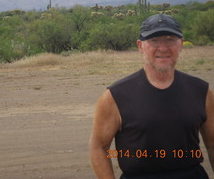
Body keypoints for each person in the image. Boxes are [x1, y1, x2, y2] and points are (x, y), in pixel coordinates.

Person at [89, 14, 214, 179]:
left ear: (181, 44)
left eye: (170, 39)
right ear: (140, 46)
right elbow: (99, 147)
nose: (163, 48)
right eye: (154, 40)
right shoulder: (115, 96)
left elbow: (212, 143)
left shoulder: (201, 91)